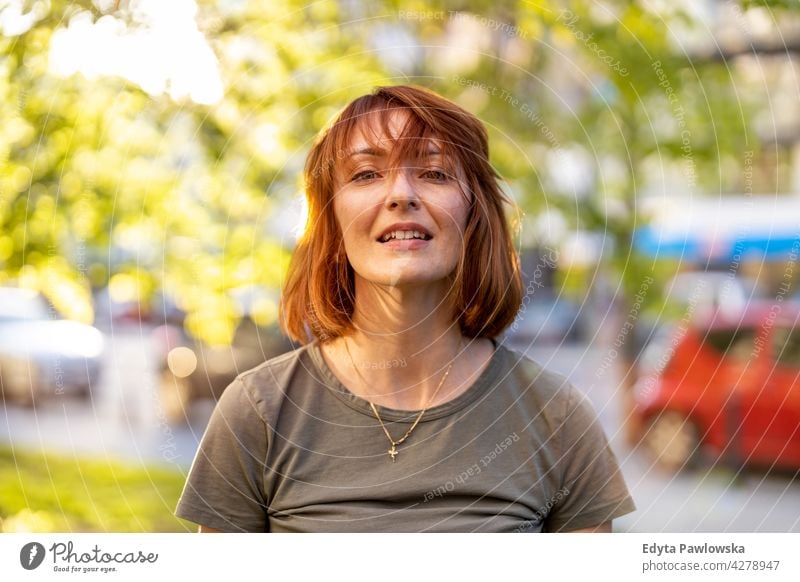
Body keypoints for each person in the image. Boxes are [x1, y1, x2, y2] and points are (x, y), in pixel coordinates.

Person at [175, 84, 636, 533]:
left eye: (435, 173)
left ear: (474, 218)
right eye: (366, 174)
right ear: (331, 221)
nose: (401, 194)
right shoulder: (257, 411)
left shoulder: (557, 417)